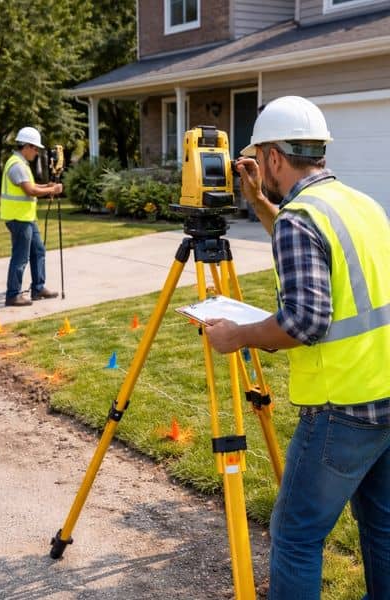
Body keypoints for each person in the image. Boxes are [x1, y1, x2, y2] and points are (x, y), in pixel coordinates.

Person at [205, 96, 390, 599]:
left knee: (295, 538)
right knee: (381, 531)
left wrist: (237, 335)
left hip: (342, 407)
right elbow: (319, 255)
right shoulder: (360, 203)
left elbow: (304, 322)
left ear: (272, 157)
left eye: (259, 157)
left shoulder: (299, 220)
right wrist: (264, 206)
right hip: (385, 394)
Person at [0, 126, 63, 306]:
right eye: (35, 148)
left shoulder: (21, 164)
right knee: (20, 257)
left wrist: (47, 186)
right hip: (18, 219)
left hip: (26, 218)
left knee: (38, 251)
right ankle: (13, 295)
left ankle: (38, 288)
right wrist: (53, 189)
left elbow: (33, 185)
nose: (36, 152)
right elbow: (30, 190)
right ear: (26, 146)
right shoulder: (16, 165)